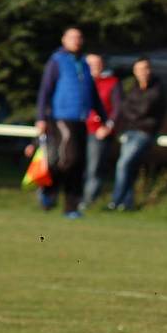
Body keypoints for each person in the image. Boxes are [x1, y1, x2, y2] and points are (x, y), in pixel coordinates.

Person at [35, 27, 111, 217]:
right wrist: (41, 117)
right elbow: (45, 89)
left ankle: (71, 207)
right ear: (64, 39)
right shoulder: (57, 61)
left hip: (80, 119)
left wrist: (103, 118)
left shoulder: (84, 63)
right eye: (72, 37)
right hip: (61, 117)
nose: (76, 41)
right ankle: (48, 190)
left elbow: (92, 93)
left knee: (78, 164)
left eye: (79, 37)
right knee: (69, 159)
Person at [108, 56, 166, 211]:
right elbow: (123, 107)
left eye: (145, 68)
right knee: (129, 167)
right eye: (139, 69)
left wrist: (131, 113)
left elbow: (143, 109)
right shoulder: (133, 88)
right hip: (129, 131)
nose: (143, 72)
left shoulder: (157, 88)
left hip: (144, 132)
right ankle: (127, 203)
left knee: (123, 164)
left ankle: (115, 200)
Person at [82, 54, 122, 207]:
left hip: (98, 132)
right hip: (80, 129)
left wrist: (108, 126)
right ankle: (73, 197)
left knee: (94, 168)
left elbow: (117, 108)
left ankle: (88, 201)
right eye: (91, 64)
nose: (94, 67)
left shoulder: (111, 83)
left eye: (97, 64)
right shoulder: (81, 82)